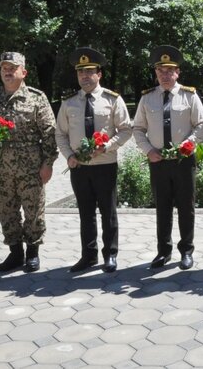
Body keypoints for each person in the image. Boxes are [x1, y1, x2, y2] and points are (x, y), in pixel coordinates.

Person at [0, 52, 58, 273]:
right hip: (0, 168)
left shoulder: (36, 98)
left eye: (13, 68)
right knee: (6, 211)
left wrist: (48, 163)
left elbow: (49, 133)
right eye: (4, 68)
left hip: (31, 168)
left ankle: (32, 253)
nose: (8, 72)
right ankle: (15, 253)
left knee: (33, 211)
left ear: (24, 72)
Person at [55, 47, 132, 273]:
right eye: (81, 72)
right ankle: (88, 256)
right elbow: (60, 133)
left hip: (105, 165)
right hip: (79, 167)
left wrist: (107, 146)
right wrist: (69, 156)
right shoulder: (69, 103)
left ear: (99, 74)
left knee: (108, 212)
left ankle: (110, 255)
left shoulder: (112, 99)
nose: (85, 76)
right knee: (85, 213)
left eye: (89, 72)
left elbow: (126, 129)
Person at [133, 46, 203, 270]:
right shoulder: (147, 98)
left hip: (184, 161)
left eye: (169, 71)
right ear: (156, 72)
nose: (165, 75)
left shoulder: (189, 95)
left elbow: (202, 124)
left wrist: (188, 144)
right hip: (158, 162)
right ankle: (163, 252)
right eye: (160, 71)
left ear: (177, 72)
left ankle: (186, 251)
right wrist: (148, 150)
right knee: (162, 207)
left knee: (186, 207)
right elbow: (138, 128)